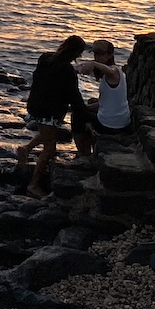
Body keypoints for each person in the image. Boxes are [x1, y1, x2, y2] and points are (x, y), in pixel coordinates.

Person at [17, 34, 92, 198]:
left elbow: (39, 81)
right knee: (50, 149)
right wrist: (85, 113)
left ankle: (26, 149)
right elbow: (74, 96)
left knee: (47, 134)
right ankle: (33, 185)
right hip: (49, 111)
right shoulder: (66, 70)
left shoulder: (45, 58)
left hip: (36, 106)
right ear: (76, 53)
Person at [77, 38, 131, 135]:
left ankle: (84, 148)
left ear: (110, 55)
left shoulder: (114, 71)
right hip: (122, 122)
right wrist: (87, 107)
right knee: (89, 104)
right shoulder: (110, 74)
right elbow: (105, 102)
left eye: (100, 54)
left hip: (110, 125)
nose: (96, 57)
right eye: (95, 54)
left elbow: (110, 71)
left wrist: (93, 64)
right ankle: (91, 129)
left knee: (77, 117)